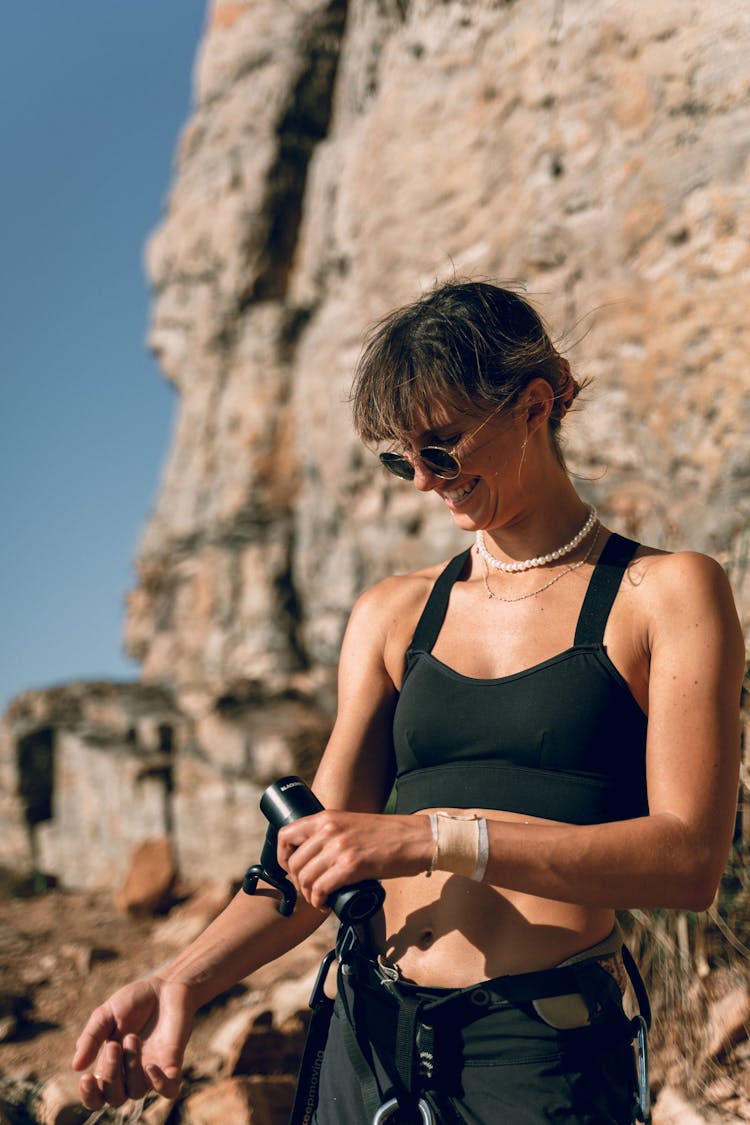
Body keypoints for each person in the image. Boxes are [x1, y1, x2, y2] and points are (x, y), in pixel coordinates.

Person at [73, 281, 744, 1124]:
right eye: (401, 459)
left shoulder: (664, 593)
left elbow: (687, 860)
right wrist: (177, 980)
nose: (425, 482)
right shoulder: (392, 613)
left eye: (443, 447)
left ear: (535, 405)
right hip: (369, 1031)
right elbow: (309, 861)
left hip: (541, 1051)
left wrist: (430, 836)